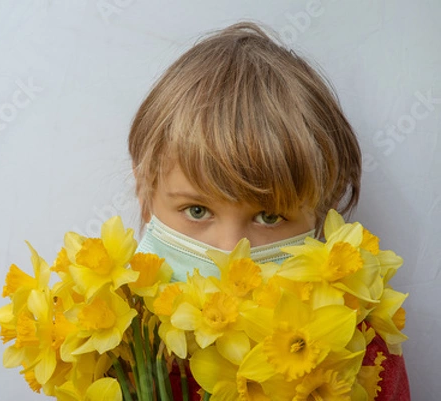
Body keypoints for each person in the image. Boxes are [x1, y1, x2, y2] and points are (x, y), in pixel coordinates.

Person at [127, 20, 410, 400]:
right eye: (196, 210)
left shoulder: (357, 352)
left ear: (323, 215)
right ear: (144, 192)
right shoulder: (116, 351)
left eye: (270, 217)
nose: (230, 252)